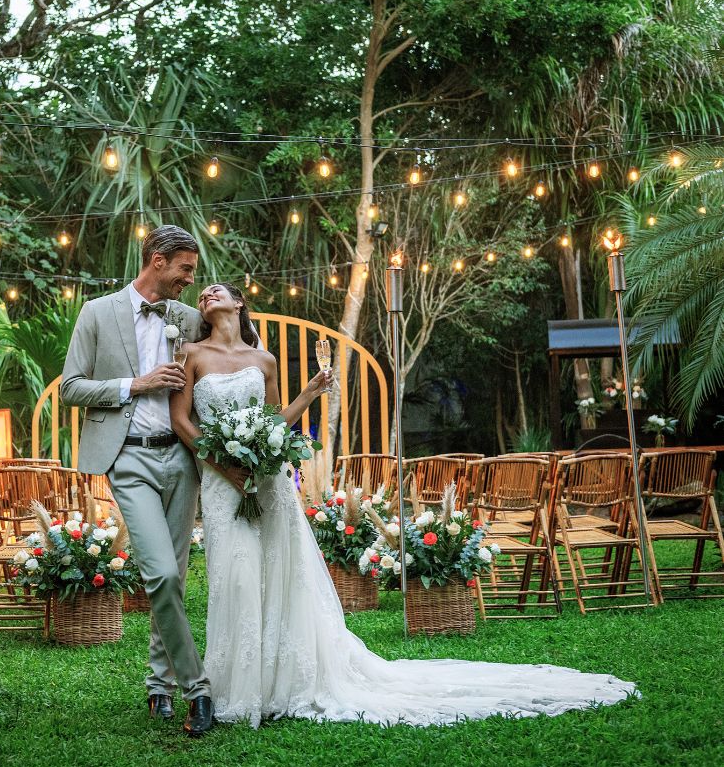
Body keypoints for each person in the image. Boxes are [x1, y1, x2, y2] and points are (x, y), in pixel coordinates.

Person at [169, 282, 639, 728]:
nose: (207, 292)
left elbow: (274, 422)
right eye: (203, 291)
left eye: (218, 290)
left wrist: (311, 392)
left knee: (278, 572)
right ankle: (234, 686)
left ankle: (279, 682)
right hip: (220, 479)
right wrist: (221, 464)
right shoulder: (190, 354)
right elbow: (180, 418)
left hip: (266, 479)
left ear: (237, 303)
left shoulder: (263, 359)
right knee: (233, 574)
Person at [61, 225, 216, 737]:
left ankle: (158, 686)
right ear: (156, 260)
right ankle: (197, 689)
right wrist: (137, 384)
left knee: (171, 572)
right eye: (185, 270)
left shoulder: (189, 319)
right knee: (162, 575)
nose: (190, 281)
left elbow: (228, 362)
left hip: (182, 460)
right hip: (128, 460)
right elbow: (71, 388)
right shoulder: (96, 313)